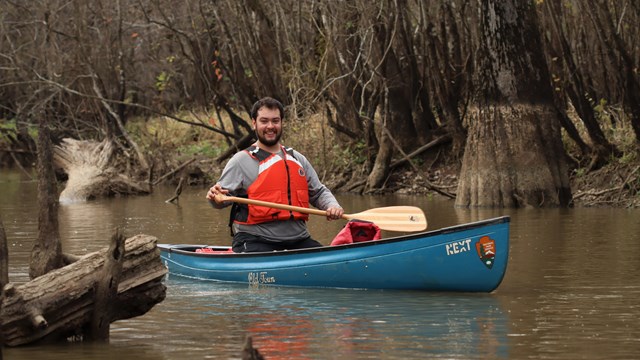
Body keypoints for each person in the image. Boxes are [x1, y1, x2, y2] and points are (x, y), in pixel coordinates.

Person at [206, 97, 344, 253]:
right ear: (254, 123)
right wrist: (214, 197)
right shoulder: (240, 161)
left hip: (298, 240)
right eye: (264, 121)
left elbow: (318, 192)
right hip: (255, 240)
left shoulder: (298, 159)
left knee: (325, 263)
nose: (270, 126)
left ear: (281, 123)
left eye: (275, 121)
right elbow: (220, 200)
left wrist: (332, 206)